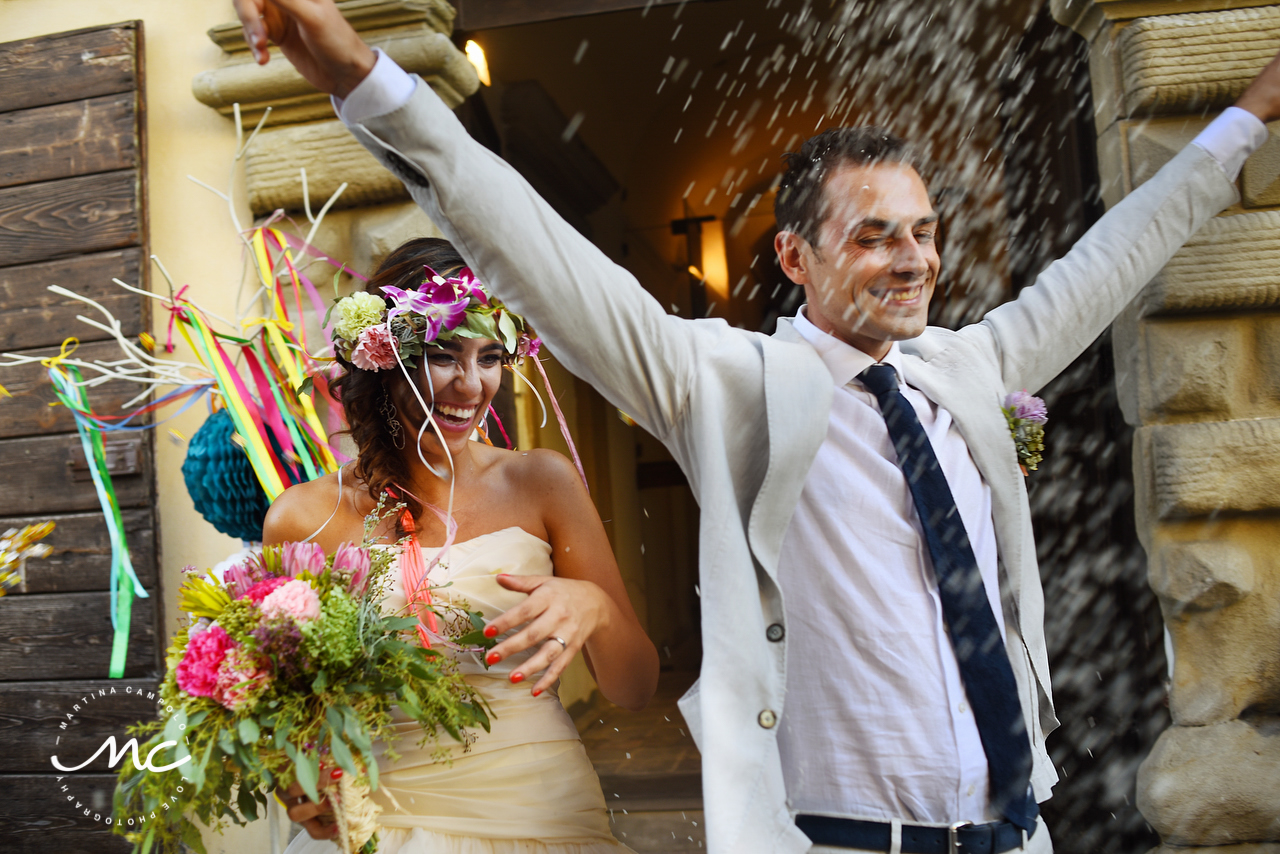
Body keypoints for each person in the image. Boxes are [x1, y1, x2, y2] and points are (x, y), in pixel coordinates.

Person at [233, 1, 1280, 851]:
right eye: (872, 236)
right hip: (832, 837)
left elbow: (1109, 259)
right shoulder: (722, 382)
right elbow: (528, 247)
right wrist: (360, 76)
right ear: (793, 260)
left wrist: (1248, 119)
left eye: (921, 231)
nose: (911, 258)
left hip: (1009, 829)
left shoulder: (970, 364)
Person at [263, 237, 659, 853]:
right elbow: (289, 711)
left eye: (491, 357)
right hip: (377, 822)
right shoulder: (303, 519)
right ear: (382, 358)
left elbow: (634, 688)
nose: (472, 385)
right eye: (445, 355)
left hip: (542, 814)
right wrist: (296, 780)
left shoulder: (542, 482)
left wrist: (595, 606)